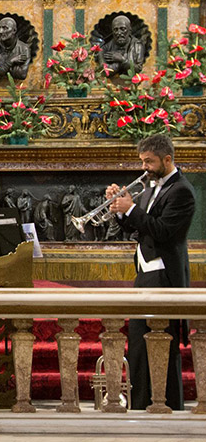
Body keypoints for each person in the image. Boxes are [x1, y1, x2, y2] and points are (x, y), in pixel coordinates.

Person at [107, 134, 195, 411]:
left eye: (150, 161)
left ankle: (166, 404)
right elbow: (138, 229)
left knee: (162, 346)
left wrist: (131, 208)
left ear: (167, 159)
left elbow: (164, 232)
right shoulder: (150, 188)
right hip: (145, 273)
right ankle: (140, 403)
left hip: (164, 276)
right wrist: (120, 211)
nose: (144, 167)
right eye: (142, 160)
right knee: (138, 343)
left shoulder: (181, 191)